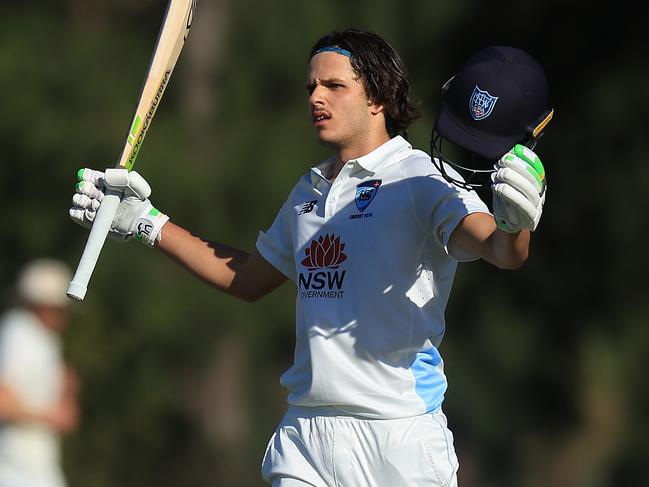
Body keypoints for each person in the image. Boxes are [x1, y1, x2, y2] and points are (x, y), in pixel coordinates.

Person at [69, 30, 551, 486]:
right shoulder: (310, 189)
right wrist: (147, 223)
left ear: (377, 97)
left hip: (397, 440)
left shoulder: (422, 181)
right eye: (311, 86)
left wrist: (515, 224)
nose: (315, 98)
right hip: (307, 435)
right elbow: (246, 278)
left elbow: (499, 250)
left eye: (334, 86)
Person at [0, 259, 80, 487]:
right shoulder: (19, 331)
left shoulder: (45, 340)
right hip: (14, 469)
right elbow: (3, 401)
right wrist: (51, 416)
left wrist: (67, 391)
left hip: (37, 466)